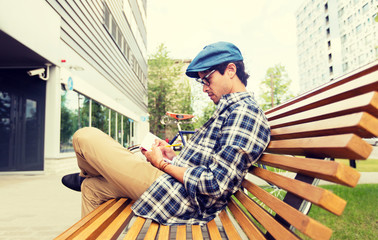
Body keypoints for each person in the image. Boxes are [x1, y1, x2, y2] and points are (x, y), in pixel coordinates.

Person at [62, 41, 271, 225]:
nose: (204, 88)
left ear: (231, 70)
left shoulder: (245, 113)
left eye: (207, 79)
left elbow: (215, 184)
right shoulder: (230, 110)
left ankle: (88, 171)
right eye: (202, 82)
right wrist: (172, 156)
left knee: (84, 136)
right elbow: (207, 165)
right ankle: (90, 175)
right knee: (91, 188)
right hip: (171, 183)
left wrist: (162, 164)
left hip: (179, 195)